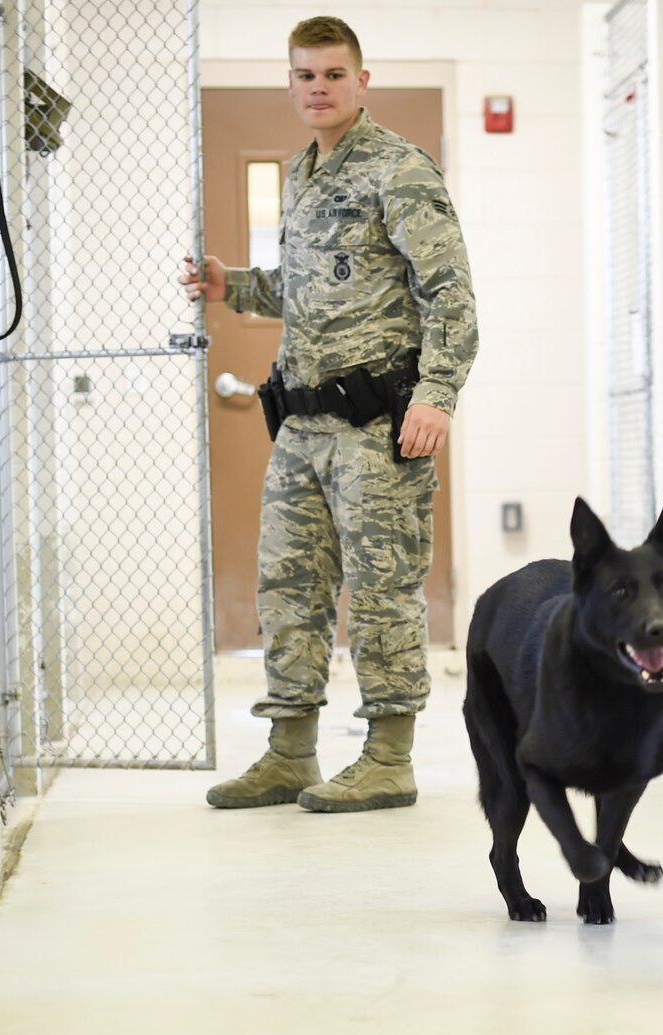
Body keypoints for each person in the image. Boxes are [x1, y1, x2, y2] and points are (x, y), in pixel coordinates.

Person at [180, 15, 477, 813]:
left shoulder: (399, 170)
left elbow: (450, 295)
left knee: (382, 590)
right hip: (302, 429)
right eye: (305, 75)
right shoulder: (301, 173)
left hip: (379, 427)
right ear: (290, 83)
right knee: (289, 588)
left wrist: (437, 396)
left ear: (361, 81)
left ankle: (388, 758)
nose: (319, 88)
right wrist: (229, 286)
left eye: (333, 75)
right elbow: (304, 288)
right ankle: (291, 752)